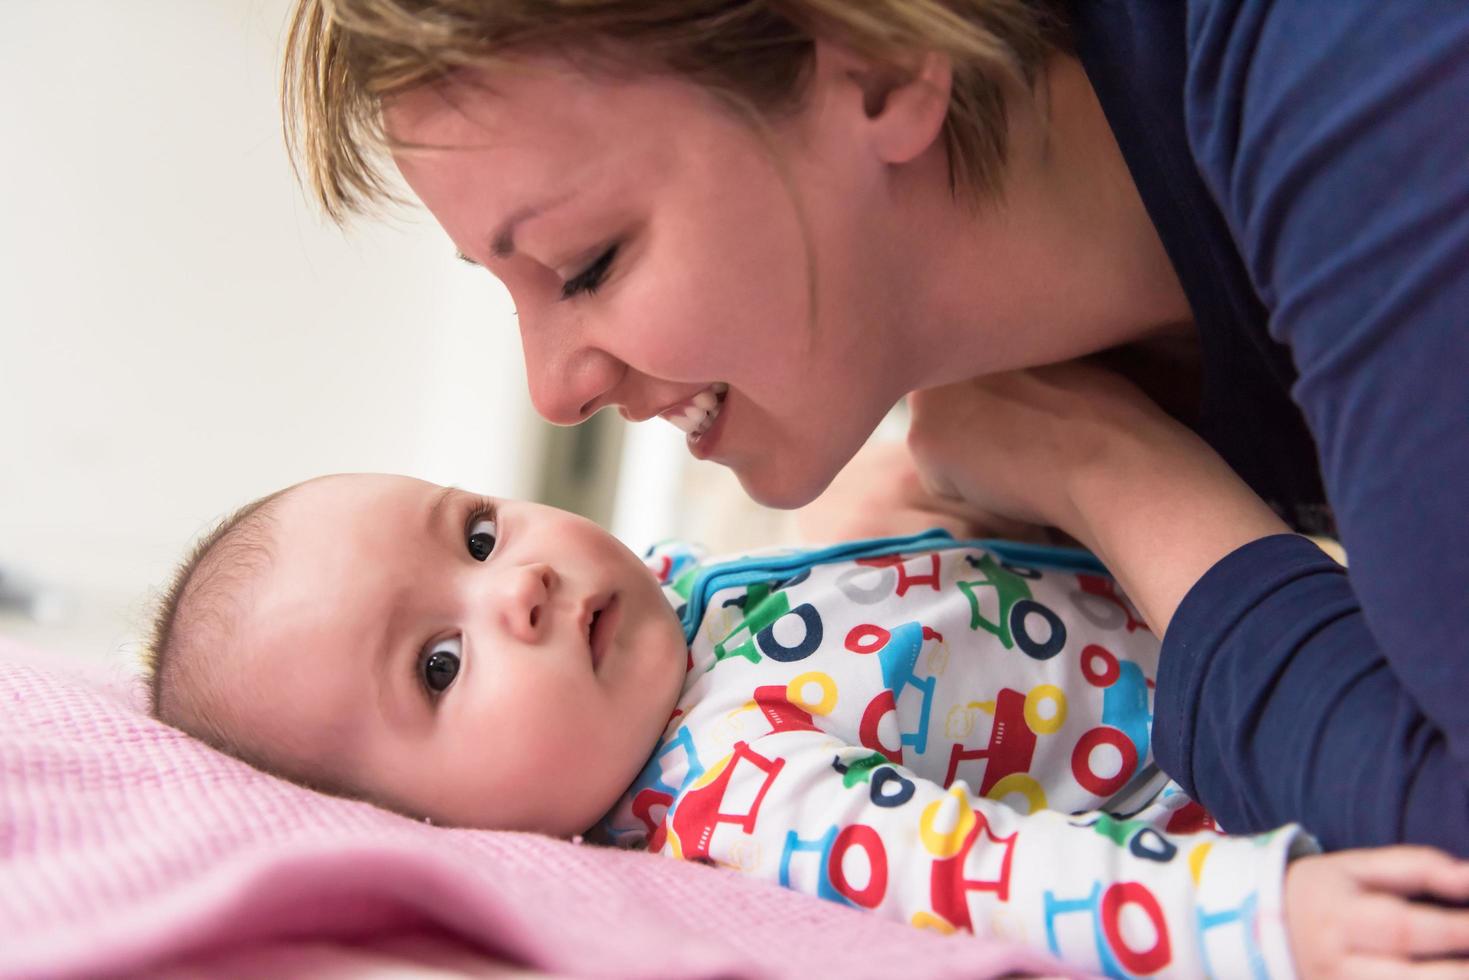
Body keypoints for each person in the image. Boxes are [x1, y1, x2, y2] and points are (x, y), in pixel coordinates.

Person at [278, 2, 1469, 852]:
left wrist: (1107, 466)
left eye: (585, 262)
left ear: (887, 62)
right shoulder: (1014, 370)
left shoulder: (1369, 80)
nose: (552, 391)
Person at [147, 471, 1469, 978]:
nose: (523, 585)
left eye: (481, 533)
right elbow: (987, 877)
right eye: (440, 664)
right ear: (433, 828)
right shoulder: (740, 791)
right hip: (1260, 774)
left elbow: (833, 584)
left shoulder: (669, 614)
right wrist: (1263, 920)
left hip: (1283, 606)